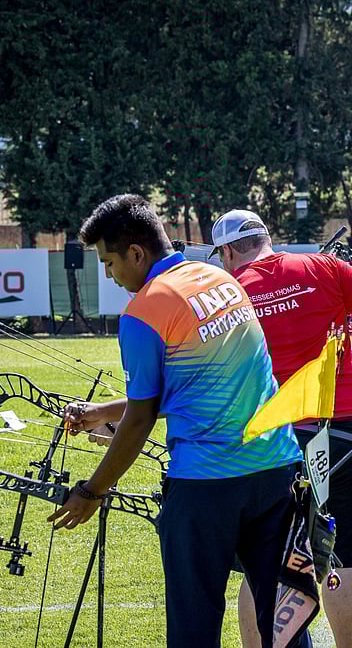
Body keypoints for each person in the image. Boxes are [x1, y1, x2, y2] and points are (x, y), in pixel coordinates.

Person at [49, 195, 307, 648]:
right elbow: (197, 387)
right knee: (283, 621)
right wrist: (101, 413)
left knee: (194, 625)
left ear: (135, 253)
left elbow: (142, 418)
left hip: (207, 486)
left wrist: (92, 491)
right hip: (276, 471)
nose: (110, 276)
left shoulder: (142, 312)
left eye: (109, 263)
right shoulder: (220, 280)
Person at [210, 209, 352, 648]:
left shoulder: (230, 291)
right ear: (267, 237)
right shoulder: (322, 266)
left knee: (262, 561)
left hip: (272, 439)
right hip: (345, 429)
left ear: (226, 252)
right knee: (345, 558)